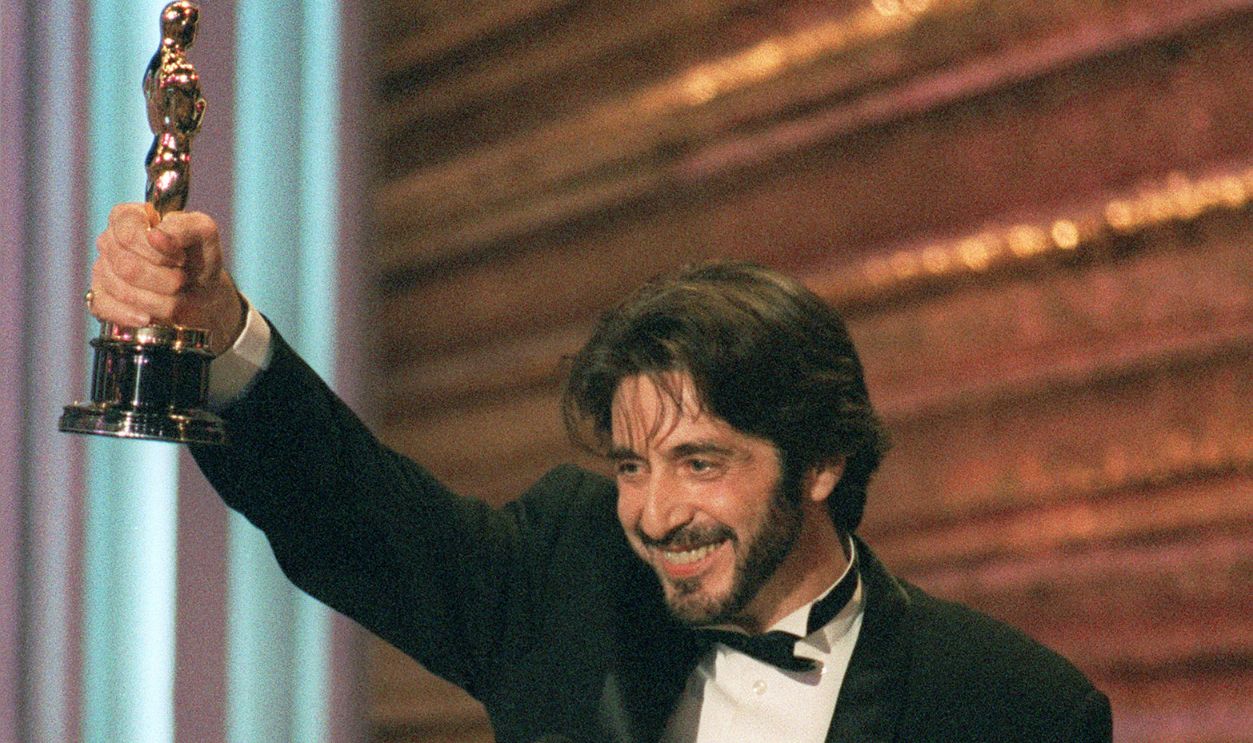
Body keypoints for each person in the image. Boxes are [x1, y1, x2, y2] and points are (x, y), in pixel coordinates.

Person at [89, 203, 1113, 743]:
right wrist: (216, 334)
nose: (654, 511)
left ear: (820, 461)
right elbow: (353, 511)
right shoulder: (572, 569)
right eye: (632, 463)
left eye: (699, 461)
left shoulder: (1010, 706)